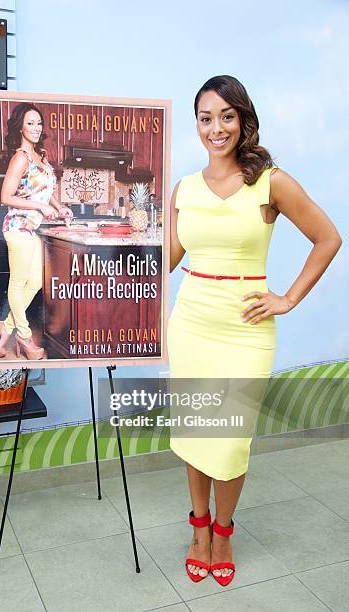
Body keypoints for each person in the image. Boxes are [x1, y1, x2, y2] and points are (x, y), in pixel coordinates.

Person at [167, 75, 342, 586]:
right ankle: (198, 527)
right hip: (192, 324)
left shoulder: (271, 181)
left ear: (243, 119)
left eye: (226, 115)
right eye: (205, 118)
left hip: (245, 330)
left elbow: (327, 237)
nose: (215, 128)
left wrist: (287, 298)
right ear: (196, 125)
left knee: (230, 439)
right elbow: (163, 261)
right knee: (198, 431)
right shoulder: (184, 188)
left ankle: (224, 531)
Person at [0, 102, 73, 360]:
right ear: (21, 128)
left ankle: (5, 329)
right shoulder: (20, 158)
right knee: (18, 282)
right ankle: (24, 336)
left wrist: (60, 207)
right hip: (17, 227)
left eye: (39, 123)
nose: (36, 128)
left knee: (35, 281)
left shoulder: (41, 156)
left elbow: (47, 191)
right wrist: (39, 206)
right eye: (30, 123)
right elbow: (6, 196)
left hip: (31, 229)